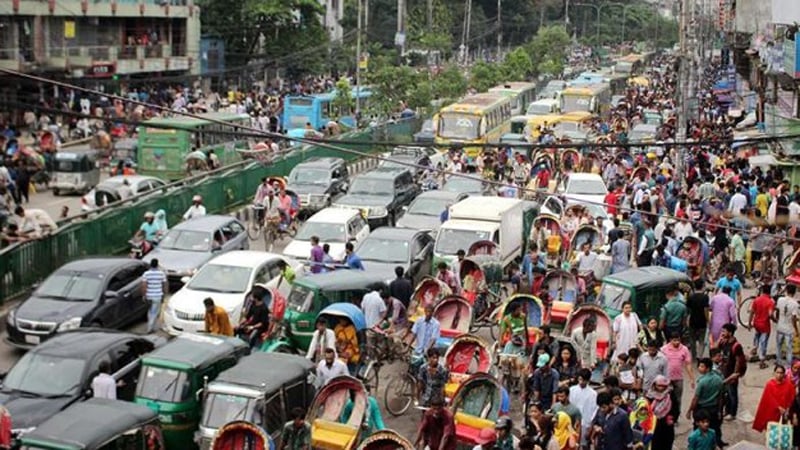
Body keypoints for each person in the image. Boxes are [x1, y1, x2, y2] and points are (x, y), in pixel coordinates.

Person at [686, 358, 724, 448]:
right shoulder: (719, 379)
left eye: (701, 366)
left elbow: (696, 398)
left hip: (702, 409)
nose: (699, 368)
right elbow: (720, 397)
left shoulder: (702, 382)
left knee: (699, 431)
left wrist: (689, 410)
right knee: (714, 429)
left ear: (707, 368)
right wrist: (719, 411)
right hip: (714, 408)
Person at [753, 365, 796, 432]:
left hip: (784, 412)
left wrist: (788, 409)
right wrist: (778, 407)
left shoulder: (788, 384)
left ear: (784, 374)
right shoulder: (770, 384)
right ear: (774, 373)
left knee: (782, 430)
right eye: (777, 372)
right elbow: (768, 398)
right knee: (771, 431)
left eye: (781, 373)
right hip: (772, 412)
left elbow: (792, 397)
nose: (779, 375)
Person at [661, 331, 694, 418]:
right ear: (670, 340)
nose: (677, 342)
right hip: (667, 379)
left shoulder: (684, 349)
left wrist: (692, 378)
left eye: (678, 340)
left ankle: (676, 416)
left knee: (678, 399)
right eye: (674, 340)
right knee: (666, 398)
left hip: (679, 378)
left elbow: (688, 364)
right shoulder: (664, 349)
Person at [718, 323, 747, 420]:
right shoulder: (724, 342)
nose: (722, 333)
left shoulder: (736, 346)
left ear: (730, 333)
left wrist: (735, 374)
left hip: (732, 373)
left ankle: (732, 413)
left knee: (732, 394)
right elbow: (716, 350)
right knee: (725, 394)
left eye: (724, 331)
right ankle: (727, 411)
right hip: (724, 372)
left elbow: (739, 361)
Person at [569, 368, 598, 450]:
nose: (581, 382)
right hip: (572, 423)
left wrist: (590, 427)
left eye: (584, 380)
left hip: (586, 424)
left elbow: (594, 412)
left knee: (584, 445)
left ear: (588, 380)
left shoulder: (593, 394)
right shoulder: (572, 390)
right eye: (580, 379)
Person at [749, 284, 775, 369]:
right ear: (770, 292)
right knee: (763, 343)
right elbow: (770, 314)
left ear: (762, 291)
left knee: (757, 335)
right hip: (765, 325)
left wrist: (750, 323)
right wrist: (774, 320)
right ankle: (762, 361)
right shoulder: (770, 302)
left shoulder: (757, 300)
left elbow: (752, 312)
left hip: (756, 323)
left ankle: (755, 348)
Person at [645, 375, 674, 450]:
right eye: (659, 385)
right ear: (654, 385)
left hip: (666, 427)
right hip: (653, 426)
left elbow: (675, 409)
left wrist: (672, 417)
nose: (661, 388)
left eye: (663, 386)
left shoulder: (670, 395)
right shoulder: (649, 396)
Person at [774, 284, 799, 368]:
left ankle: (778, 362)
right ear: (794, 292)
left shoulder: (780, 299)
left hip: (780, 327)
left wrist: (777, 320)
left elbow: (777, 311)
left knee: (778, 345)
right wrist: (796, 330)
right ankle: (788, 366)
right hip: (789, 329)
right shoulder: (795, 304)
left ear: (786, 290)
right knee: (789, 349)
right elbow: (793, 319)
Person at [140, 258, 167, 333]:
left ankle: (151, 326)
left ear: (150, 265)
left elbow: (144, 285)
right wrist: (164, 295)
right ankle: (150, 327)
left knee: (150, 311)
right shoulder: (161, 274)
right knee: (155, 312)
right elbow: (164, 285)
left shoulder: (146, 274)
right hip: (158, 295)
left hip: (149, 295)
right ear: (157, 265)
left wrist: (144, 295)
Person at [685, 279, 709, 359]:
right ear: (702, 286)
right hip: (702, 321)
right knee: (702, 340)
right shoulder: (705, 297)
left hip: (693, 321)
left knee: (692, 339)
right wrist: (707, 320)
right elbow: (706, 310)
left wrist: (687, 320)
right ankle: (700, 356)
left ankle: (694, 355)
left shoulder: (691, 297)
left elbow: (688, 310)